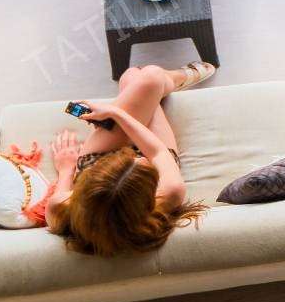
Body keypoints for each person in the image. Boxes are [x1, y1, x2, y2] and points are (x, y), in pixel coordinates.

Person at [45, 61, 216, 256]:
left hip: (98, 158)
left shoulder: (60, 208)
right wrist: (115, 113)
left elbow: (61, 189)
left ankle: (165, 80)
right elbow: (156, 153)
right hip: (143, 156)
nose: (137, 156)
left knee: (132, 77)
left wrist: (66, 169)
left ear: (86, 187)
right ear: (149, 198)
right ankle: (179, 77)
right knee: (150, 76)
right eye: (141, 164)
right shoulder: (169, 192)